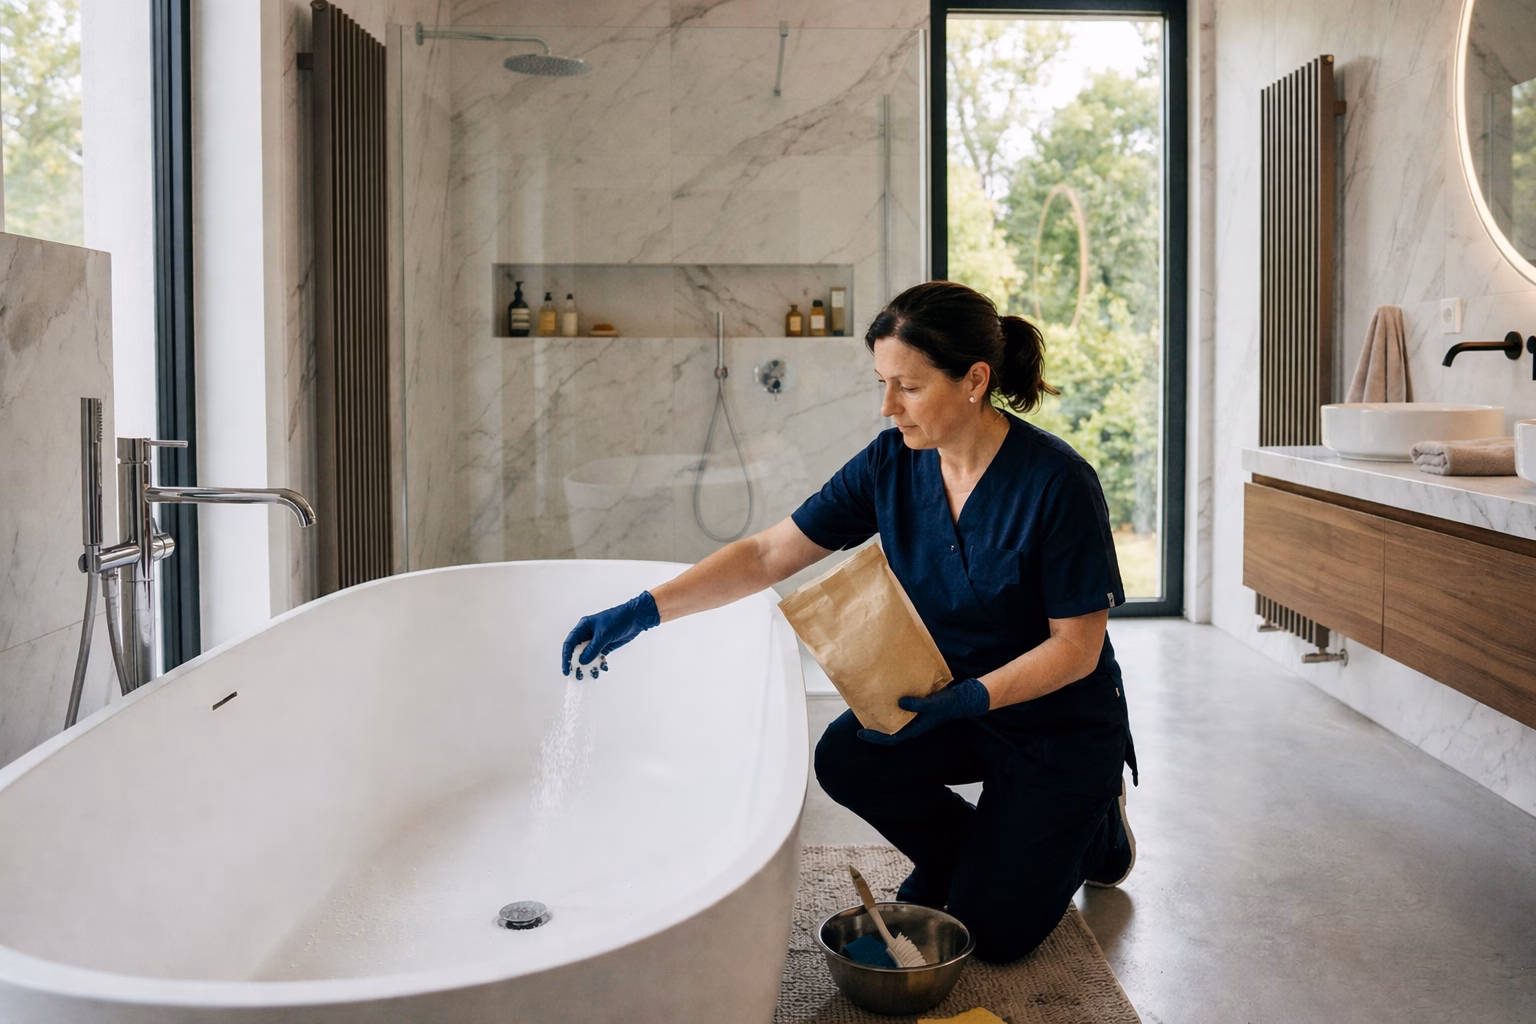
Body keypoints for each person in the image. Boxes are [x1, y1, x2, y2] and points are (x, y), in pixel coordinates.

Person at [560, 280, 1137, 964]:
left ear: (975, 380)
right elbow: (770, 552)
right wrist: (646, 609)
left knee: (995, 935)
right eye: (882, 382)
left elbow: (1076, 649)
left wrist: (974, 696)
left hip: (1055, 725)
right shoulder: (893, 462)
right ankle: (980, 854)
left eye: (909, 387)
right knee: (847, 757)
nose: (888, 405)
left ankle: (1095, 818)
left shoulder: (1056, 484)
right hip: (952, 705)